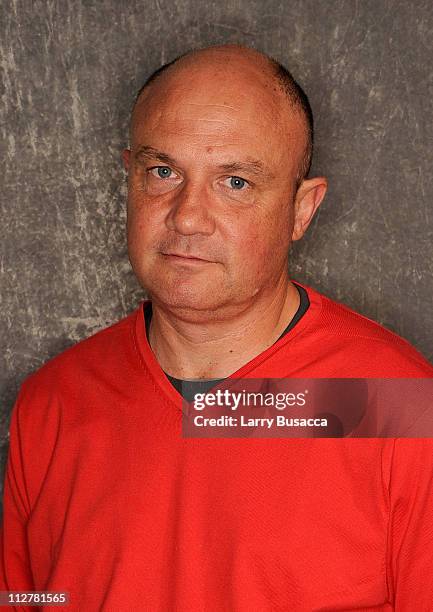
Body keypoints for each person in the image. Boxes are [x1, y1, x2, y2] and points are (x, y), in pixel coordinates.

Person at [1, 44, 432, 611]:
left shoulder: (393, 405)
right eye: (163, 172)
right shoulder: (53, 403)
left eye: (235, 182)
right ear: (127, 179)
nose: (186, 216)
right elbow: (32, 600)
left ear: (302, 210)